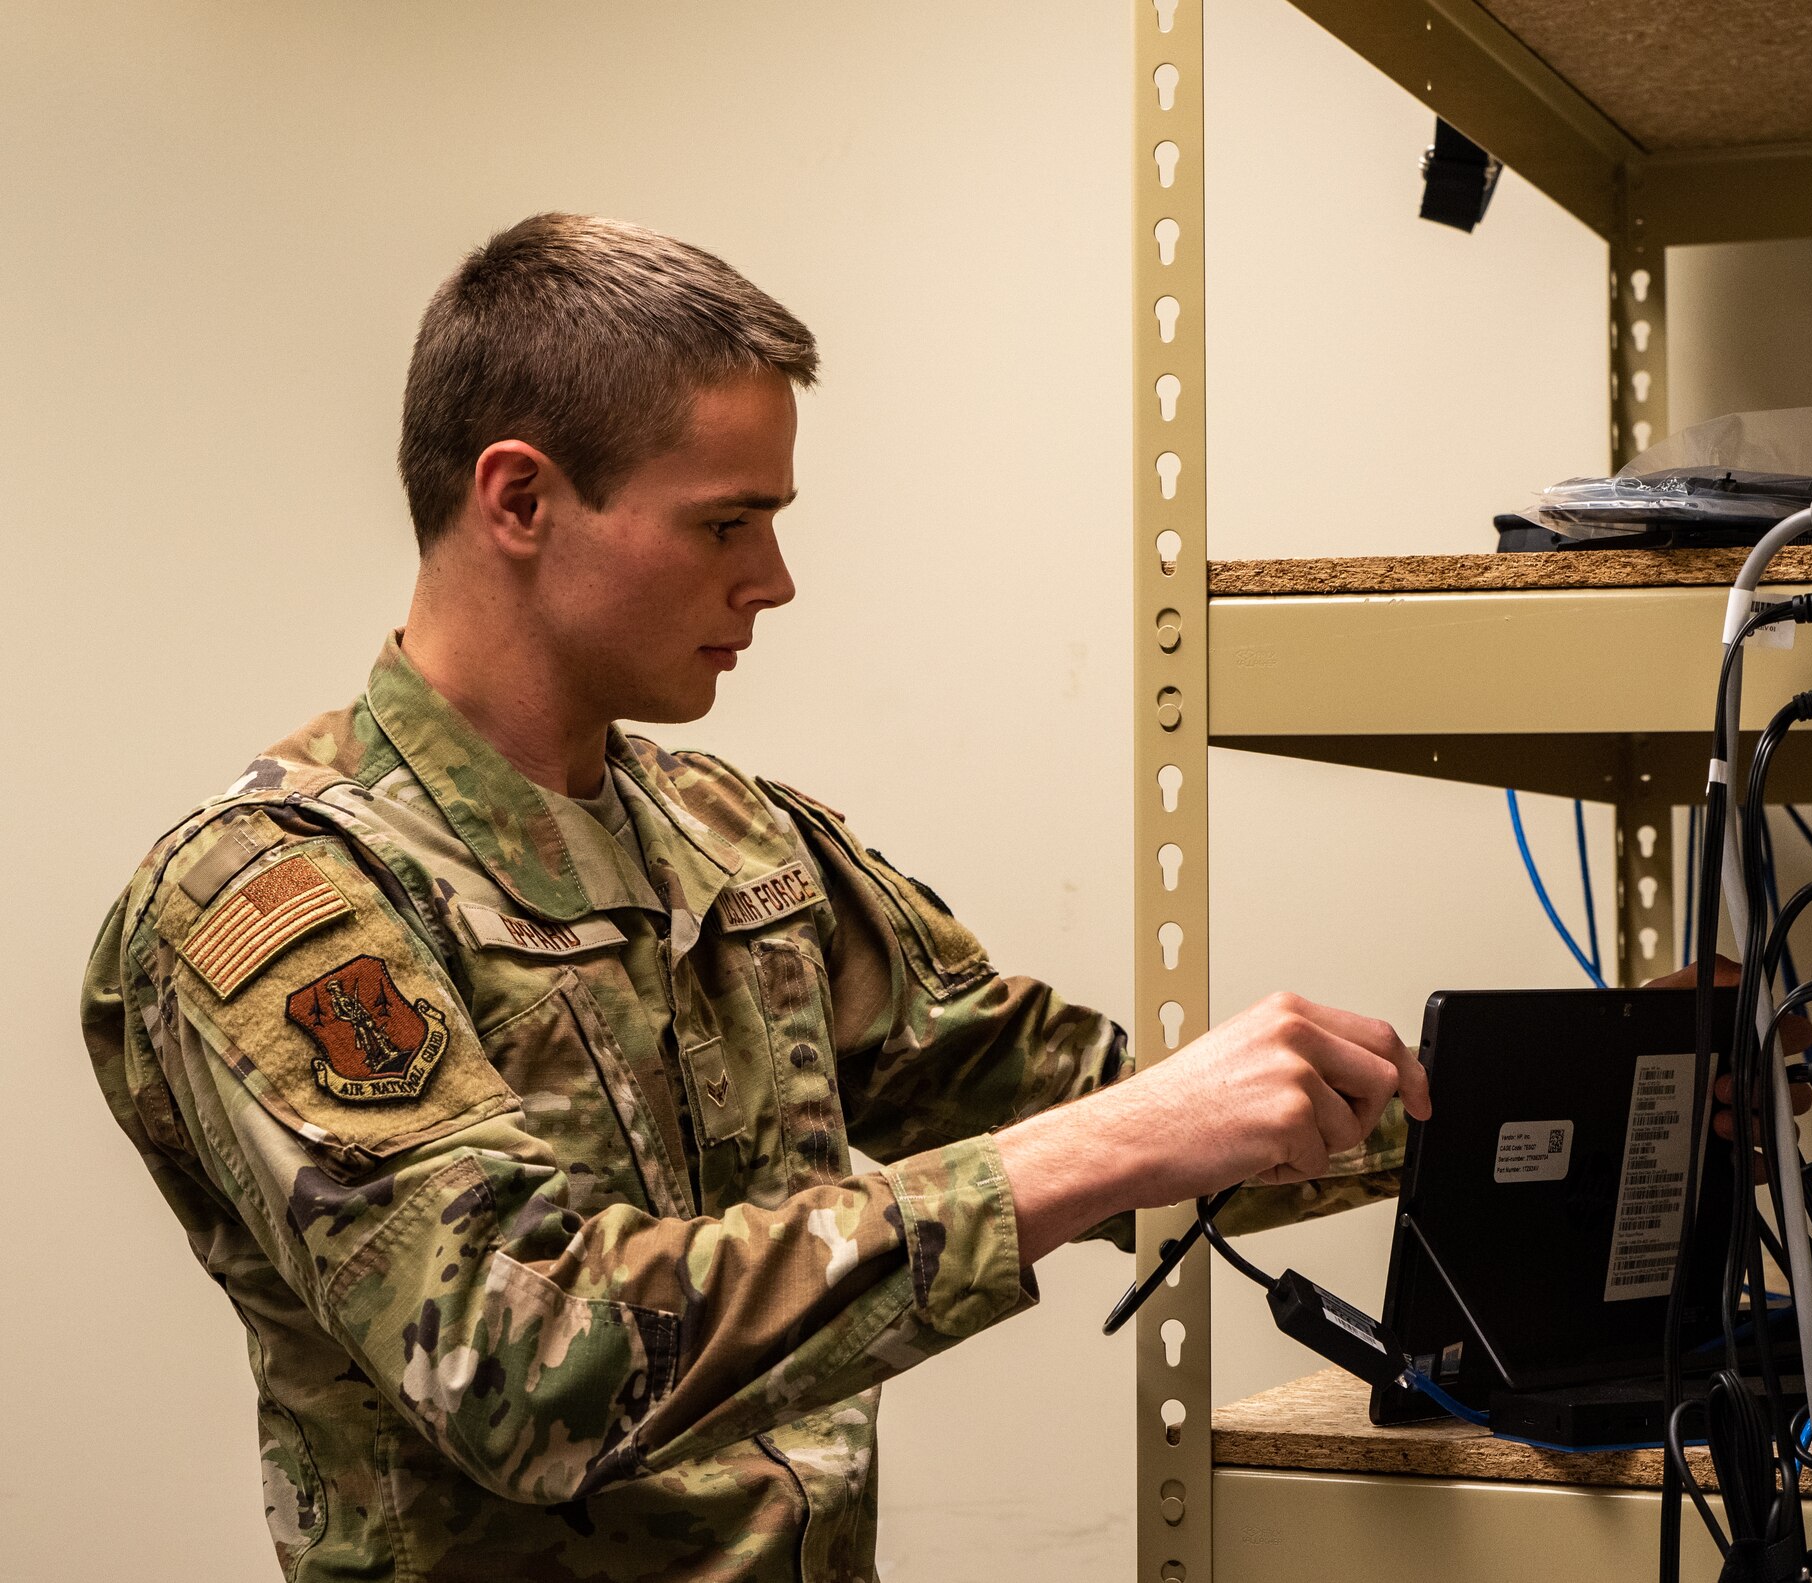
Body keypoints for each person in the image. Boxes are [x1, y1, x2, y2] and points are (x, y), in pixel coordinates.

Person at [82, 213, 1430, 1582]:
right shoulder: (275, 893)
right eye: (727, 523)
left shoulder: (733, 839)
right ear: (519, 500)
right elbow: (526, 1363)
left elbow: (1083, 1101)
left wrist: (1526, 1099)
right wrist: (1100, 1151)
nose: (774, 582)